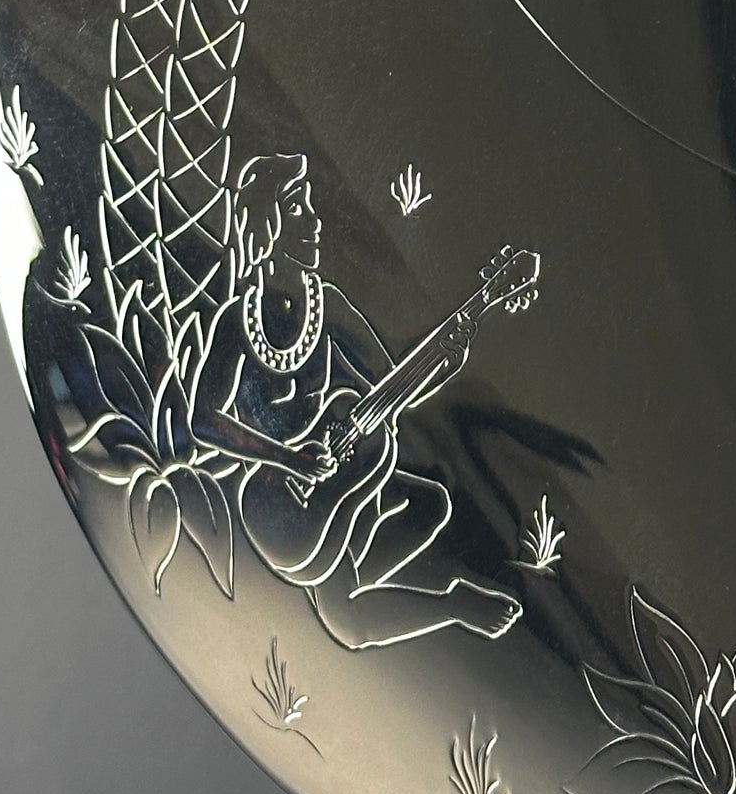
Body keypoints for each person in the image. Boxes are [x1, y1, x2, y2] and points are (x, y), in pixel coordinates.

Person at [188, 150, 521, 650]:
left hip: (331, 490)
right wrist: (290, 458)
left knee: (429, 504)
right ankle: (440, 605)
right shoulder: (237, 323)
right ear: (270, 222)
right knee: (348, 622)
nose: (317, 222)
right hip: (269, 500)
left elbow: (386, 390)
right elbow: (202, 420)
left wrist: (443, 363)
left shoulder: (330, 307)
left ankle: (350, 584)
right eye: (300, 208)